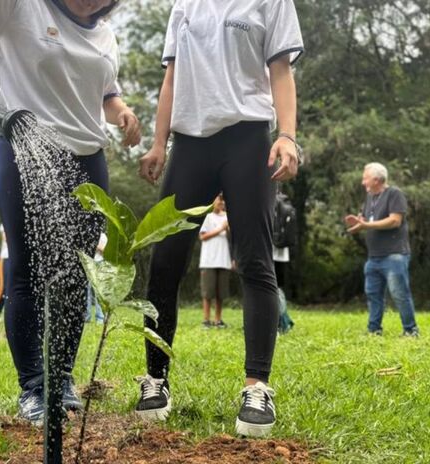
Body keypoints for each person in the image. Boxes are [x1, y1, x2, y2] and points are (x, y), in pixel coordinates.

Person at [0, 0, 141, 425]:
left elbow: (107, 94)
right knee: (26, 270)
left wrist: (124, 113)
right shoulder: (22, 6)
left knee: (76, 274)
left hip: (88, 160)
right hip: (25, 146)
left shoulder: (105, 33)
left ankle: (60, 379)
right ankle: (33, 388)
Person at [135, 0, 304, 437]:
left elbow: (280, 69)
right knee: (164, 263)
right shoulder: (183, 6)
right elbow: (171, 77)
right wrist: (158, 143)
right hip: (190, 144)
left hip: (247, 138)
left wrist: (287, 135)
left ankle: (257, 387)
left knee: (255, 262)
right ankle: (156, 380)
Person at [344, 163, 419, 337]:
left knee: (399, 294)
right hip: (374, 257)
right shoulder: (370, 197)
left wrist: (366, 225)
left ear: (377, 179)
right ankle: (373, 330)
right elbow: (367, 220)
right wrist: (358, 223)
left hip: (394, 255)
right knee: (373, 295)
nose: (363, 182)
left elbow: (395, 220)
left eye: (365, 178)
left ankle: (411, 331)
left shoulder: (394, 194)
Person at [198, 194, 231, 329]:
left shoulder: (228, 217)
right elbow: (203, 237)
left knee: (220, 293)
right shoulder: (207, 216)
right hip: (208, 260)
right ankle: (206, 320)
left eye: (223, 200)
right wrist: (220, 229)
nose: (222, 202)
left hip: (224, 259)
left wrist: (227, 230)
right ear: (213, 201)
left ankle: (218, 320)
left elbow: (232, 238)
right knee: (207, 292)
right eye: (219, 200)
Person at [84, 232, 107, 323]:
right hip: (89, 262)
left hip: (99, 264)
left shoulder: (103, 236)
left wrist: (94, 245)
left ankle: (100, 318)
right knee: (87, 291)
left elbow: (103, 249)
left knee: (98, 292)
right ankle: (87, 316)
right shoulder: (89, 234)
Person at [273, 244, 294, 333]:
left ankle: (282, 321)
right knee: (277, 288)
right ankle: (282, 321)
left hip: (276, 253)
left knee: (276, 288)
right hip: (277, 253)